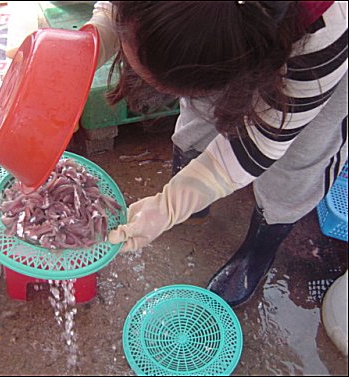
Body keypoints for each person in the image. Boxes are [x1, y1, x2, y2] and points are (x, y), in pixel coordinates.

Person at [83, 1, 347, 308]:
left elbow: (262, 145)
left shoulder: (326, 27)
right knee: (201, 107)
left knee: (299, 157)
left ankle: (258, 250)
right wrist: (102, 29)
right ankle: (194, 198)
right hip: (219, 36)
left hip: (317, 45)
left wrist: (169, 206)